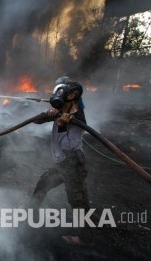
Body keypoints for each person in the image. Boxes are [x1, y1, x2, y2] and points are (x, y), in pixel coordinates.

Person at [31, 77, 90, 245]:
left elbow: (68, 145)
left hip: (73, 164)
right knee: (43, 183)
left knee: (78, 201)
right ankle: (31, 210)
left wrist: (62, 124)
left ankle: (85, 238)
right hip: (63, 163)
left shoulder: (77, 119)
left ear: (71, 97)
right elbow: (36, 121)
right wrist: (48, 114)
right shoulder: (62, 108)